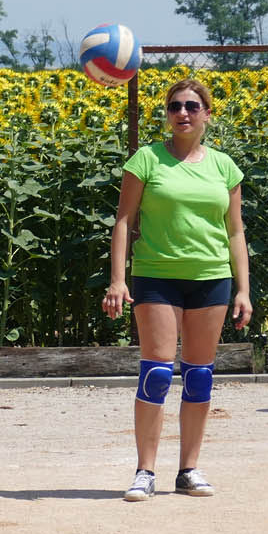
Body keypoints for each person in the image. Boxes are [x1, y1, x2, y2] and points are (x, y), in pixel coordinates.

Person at [102, 77, 251, 502]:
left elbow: (235, 231)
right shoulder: (146, 160)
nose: (182, 113)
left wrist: (243, 289)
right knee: (156, 373)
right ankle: (144, 471)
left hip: (211, 278)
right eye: (174, 106)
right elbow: (124, 221)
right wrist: (118, 280)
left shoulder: (225, 167)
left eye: (191, 106)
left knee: (199, 376)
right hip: (156, 277)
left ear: (207, 114)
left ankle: (188, 470)